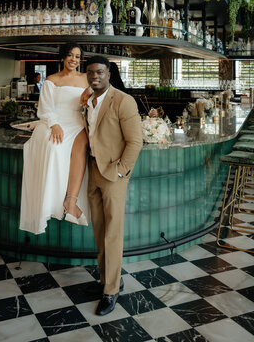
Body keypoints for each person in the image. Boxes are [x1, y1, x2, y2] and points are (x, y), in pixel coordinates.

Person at [85, 56, 143, 316]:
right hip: (93, 172)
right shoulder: (87, 100)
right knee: (99, 232)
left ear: (108, 74)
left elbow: (135, 142)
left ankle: (111, 291)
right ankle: (107, 279)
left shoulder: (123, 100)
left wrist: (120, 172)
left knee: (113, 234)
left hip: (113, 176)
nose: (94, 76)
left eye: (99, 72)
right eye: (90, 72)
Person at [20, 43, 90, 234]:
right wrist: (54, 124)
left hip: (77, 122)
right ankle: (51, 204)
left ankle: (71, 200)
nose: (73, 60)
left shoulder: (86, 78)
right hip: (55, 122)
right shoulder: (52, 80)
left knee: (83, 145)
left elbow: (95, 100)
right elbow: (45, 108)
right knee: (53, 148)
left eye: (77, 56)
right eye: (70, 55)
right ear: (62, 57)